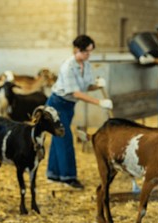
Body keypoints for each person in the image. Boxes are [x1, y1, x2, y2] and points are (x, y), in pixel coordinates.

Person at [45, 35, 113, 189]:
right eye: (85, 52)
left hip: (69, 106)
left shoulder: (86, 64)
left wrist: (96, 85)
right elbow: (75, 92)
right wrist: (99, 102)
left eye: (90, 52)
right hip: (57, 104)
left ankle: (53, 174)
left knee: (58, 140)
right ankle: (68, 177)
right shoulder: (68, 66)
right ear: (76, 50)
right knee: (65, 139)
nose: (88, 55)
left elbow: (85, 86)